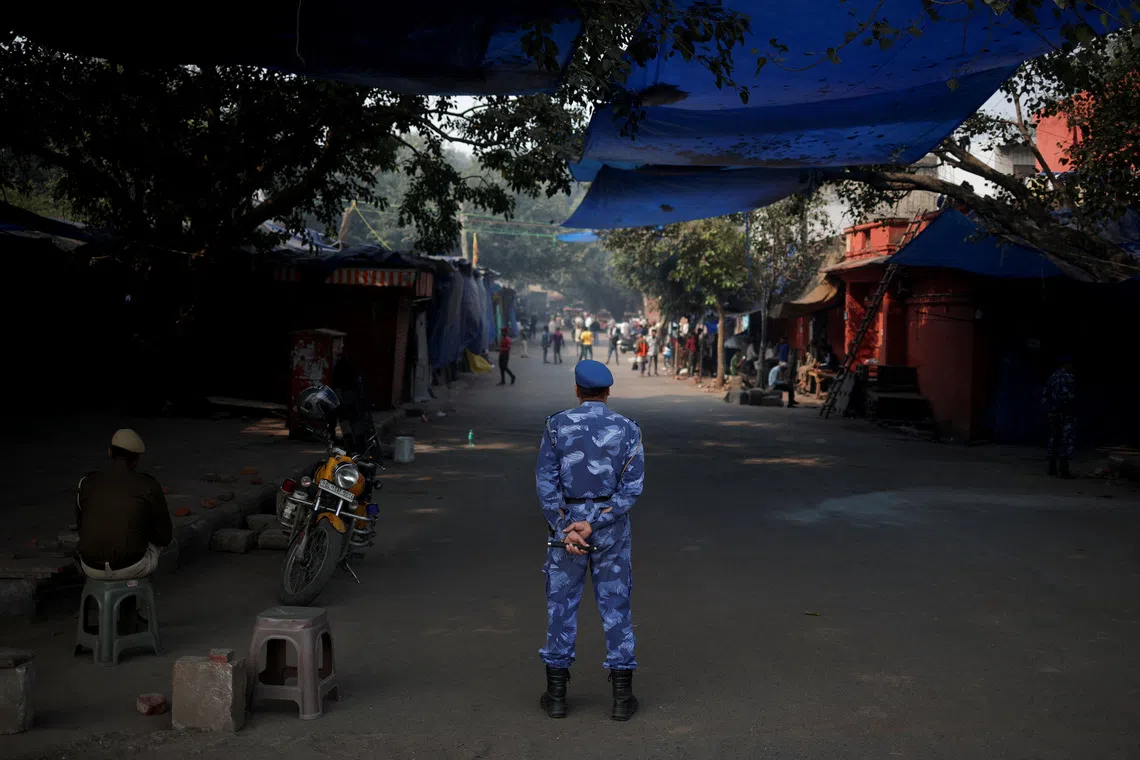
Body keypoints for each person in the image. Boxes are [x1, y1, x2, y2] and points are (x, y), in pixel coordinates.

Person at [535, 359, 644, 722]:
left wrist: (565, 525)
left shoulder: (555, 426)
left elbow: (546, 484)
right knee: (616, 606)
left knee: (561, 606)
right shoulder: (628, 430)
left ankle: (556, 697)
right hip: (609, 532)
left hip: (565, 530)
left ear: (578, 391)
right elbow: (631, 489)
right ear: (608, 392)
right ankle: (621, 699)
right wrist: (596, 522)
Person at [76, 429, 174, 581]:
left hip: (90, 566)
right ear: (137, 460)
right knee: (154, 538)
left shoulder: (87, 483)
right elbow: (165, 536)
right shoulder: (148, 485)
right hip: (131, 566)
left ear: (109, 452)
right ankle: (140, 596)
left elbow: (80, 524)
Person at [1043, 356, 1076, 478]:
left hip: (1054, 413)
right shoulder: (1069, 378)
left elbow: (1045, 396)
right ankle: (1063, 469)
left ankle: (1052, 467)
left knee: (1054, 438)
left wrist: (1050, 411)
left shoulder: (1053, 377)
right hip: (1066, 414)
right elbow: (1069, 397)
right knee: (1066, 440)